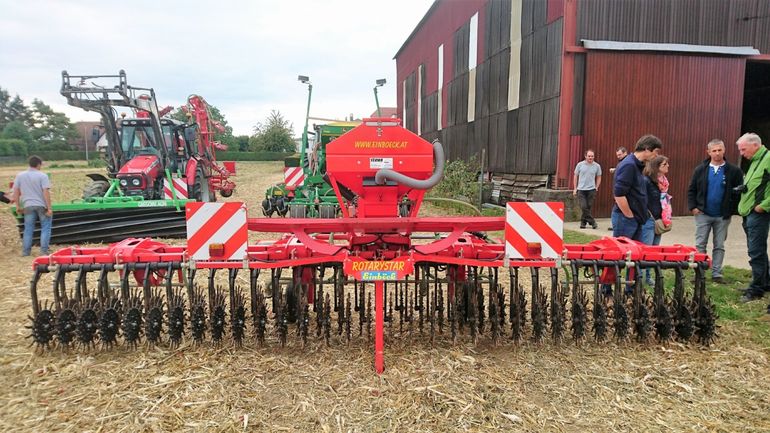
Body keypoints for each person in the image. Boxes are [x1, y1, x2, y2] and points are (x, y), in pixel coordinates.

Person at [686, 139, 743, 284]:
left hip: (722, 216)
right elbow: (692, 189)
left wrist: (732, 209)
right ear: (708, 152)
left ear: (724, 150)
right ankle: (700, 272)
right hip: (703, 214)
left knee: (719, 245)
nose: (717, 153)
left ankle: (717, 273)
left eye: (720, 150)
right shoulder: (701, 169)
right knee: (700, 244)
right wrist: (693, 207)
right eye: (714, 150)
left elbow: (739, 191)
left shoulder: (734, 170)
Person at [735, 133, 770, 303]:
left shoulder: (768, 158)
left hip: (758, 213)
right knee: (758, 250)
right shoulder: (756, 161)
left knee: (755, 251)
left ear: (755, 145)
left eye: (743, 149)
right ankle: (765, 282)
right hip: (748, 212)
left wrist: (764, 205)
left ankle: (756, 289)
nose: (741, 153)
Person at [612, 135, 663, 241]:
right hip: (625, 219)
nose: (657, 155)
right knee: (624, 253)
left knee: (635, 254)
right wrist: (629, 216)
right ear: (647, 149)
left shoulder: (638, 165)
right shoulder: (629, 165)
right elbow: (619, 195)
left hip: (636, 218)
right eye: (656, 151)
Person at [13, 156, 53, 256]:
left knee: (28, 229)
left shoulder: (20, 176)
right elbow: (45, 192)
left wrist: (18, 206)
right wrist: (49, 208)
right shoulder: (42, 176)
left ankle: (26, 252)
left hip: (27, 206)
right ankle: (44, 251)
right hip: (41, 205)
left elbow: (16, 192)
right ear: (38, 164)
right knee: (45, 227)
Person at [641, 155, 671, 284]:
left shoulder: (663, 182)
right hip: (649, 219)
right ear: (657, 167)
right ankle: (639, 277)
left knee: (654, 250)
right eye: (665, 164)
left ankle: (648, 276)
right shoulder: (647, 181)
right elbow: (643, 200)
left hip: (659, 218)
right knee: (645, 250)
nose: (668, 166)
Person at [573, 149, 602, 229]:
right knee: (583, 206)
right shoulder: (580, 165)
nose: (590, 157)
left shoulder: (597, 166)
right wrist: (575, 188)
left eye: (592, 156)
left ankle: (583, 223)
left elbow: (599, 177)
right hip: (581, 189)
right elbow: (575, 176)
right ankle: (592, 222)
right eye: (589, 156)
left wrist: (597, 186)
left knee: (588, 206)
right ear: (585, 156)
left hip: (591, 189)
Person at [608, 147, 628, 231]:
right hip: (619, 191)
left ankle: (616, 226)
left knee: (617, 211)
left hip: (622, 192)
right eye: (617, 155)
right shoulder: (623, 162)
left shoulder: (626, 162)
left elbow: (626, 171)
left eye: (620, 154)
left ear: (625, 153)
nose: (618, 156)